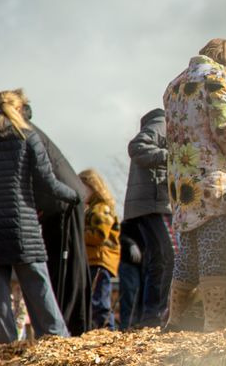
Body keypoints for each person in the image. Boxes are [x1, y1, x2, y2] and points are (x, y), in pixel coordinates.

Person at [0, 89, 78, 343]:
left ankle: (4, 347)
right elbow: (47, 182)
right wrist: (73, 194)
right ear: (17, 109)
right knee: (38, 285)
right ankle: (55, 339)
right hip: (22, 226)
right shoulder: (27, 137)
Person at [163, 38, 226, 332]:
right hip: (210, 181)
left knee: (188, 252)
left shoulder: (174, 85)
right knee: (214, 248)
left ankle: (175, 319)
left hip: (182, 184)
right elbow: (224, 128)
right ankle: (215, 321)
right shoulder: (217, 78)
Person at [19, 99, 91, 335]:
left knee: (65, 268)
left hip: (63, 203)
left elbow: (42, 175)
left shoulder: (23, 132)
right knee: (69, 267)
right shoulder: (27, 129)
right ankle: (73, 327)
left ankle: (70, 328)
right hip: (63, 200)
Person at [123, 107, 174, 328]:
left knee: (156, 259)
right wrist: (172, 158)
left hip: (148, 204)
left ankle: (145, 316)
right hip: (154, 203)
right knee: (167, 255)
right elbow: (137, 146)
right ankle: (155, 314)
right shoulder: (162, 123)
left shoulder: (158, 124)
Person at [79, 169, 122, 330]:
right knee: (94, 299)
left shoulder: (101, 208)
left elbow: (99, 235)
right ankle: (100, 330)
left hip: (100, 260)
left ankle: (108, 331)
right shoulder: (91, 208)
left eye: (82, 187)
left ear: (92, 186)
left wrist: (78, 235)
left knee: (99, 301)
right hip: (94, 260)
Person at [117, 219, 143, 329]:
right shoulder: (129, 221)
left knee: (141, 296)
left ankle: (137, 325)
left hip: (146, 264)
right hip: (129, 262)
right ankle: (126, 325)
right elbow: (119, 235)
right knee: (129, 294)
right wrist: (130, 243)